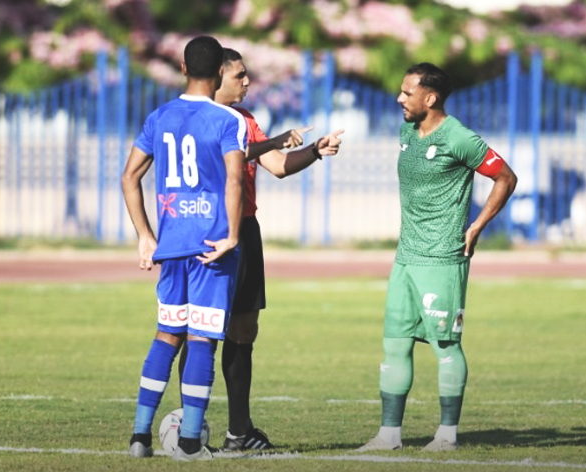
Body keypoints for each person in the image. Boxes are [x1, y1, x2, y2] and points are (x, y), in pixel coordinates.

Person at [177, 47, 344, 451]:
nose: (248, 82)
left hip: (245, 231)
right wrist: (277, 138)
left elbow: (278, 166)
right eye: (240, 75)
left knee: (243, 331)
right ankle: (187, 424)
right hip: (207, 231)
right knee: (198, 330)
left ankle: (239, 431)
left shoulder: (246, 120)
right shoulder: (195, 118)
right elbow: (223, 156)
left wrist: (314, 152)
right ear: (217, 76)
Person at [357, 63, 517, 453]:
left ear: (430, 98)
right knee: (395, 344)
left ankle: (447, 435)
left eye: (407, 93)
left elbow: (506, 178)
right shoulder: (407, 131)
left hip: (443, 257)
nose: (399, 99)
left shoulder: (459, 137)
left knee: (446, 345)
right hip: (406, 257)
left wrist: (477, 226)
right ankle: (388, 435)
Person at [121, 36, 247, 461]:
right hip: (212, 247)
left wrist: (144, 234)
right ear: (218, 74)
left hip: (172, 247)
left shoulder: (159, 117)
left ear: (182, 67)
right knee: (202, 340)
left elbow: (129, 177)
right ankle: (190, 441)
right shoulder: (228, 120)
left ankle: (140, 437)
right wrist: (231, 235)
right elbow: (234, 178)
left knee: (165, 336)